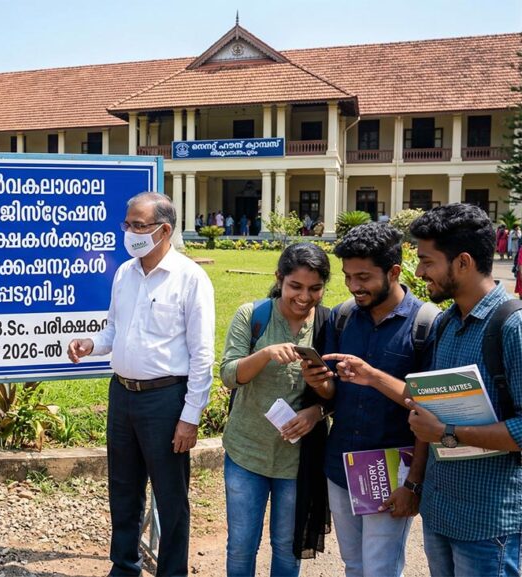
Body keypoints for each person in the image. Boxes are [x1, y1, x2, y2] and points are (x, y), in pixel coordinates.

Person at [323, 204, 522, 577]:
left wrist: (446, 433)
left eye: (427, 261)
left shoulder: (511, 326)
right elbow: (427, 406)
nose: (419, 272)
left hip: (487, 521)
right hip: (439, 513)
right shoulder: (447, 323)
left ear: (462, 262)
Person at [67, 192, 215, 576]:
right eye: (127, 224)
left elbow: (202, 356)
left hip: (165, 399)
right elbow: (114, 329)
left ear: (163, 230)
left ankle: (171, 572)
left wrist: (190, 417)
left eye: (138, 225)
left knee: (171, 497)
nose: (129, 232)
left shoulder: (190, 278)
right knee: (123, 489)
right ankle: (124, 567)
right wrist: (91, 344)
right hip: (123, 395)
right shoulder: (124, 273)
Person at [302, 222, 435, 577]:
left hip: (391, 472)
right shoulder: (343, 317)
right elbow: (333, 394)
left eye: (363, 277)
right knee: (354, 565)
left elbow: (430, 408)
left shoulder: (425, 324)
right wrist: (320, 384)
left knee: (380, 569)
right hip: (340, 465)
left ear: (394, 272)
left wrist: (413, 484)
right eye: (348, 277)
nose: (353, 286)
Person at [220, 242, 332, 577]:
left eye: (315, 288)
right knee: (241, 546)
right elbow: (229, 375)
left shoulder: (330, 324)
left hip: (297, 461)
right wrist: (266, 353)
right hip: (246, 452)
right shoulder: (253, 316)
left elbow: (342, 390)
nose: (304, 297)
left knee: (286, 547)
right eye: (295, 286)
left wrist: (317, 412)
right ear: (279, 279)